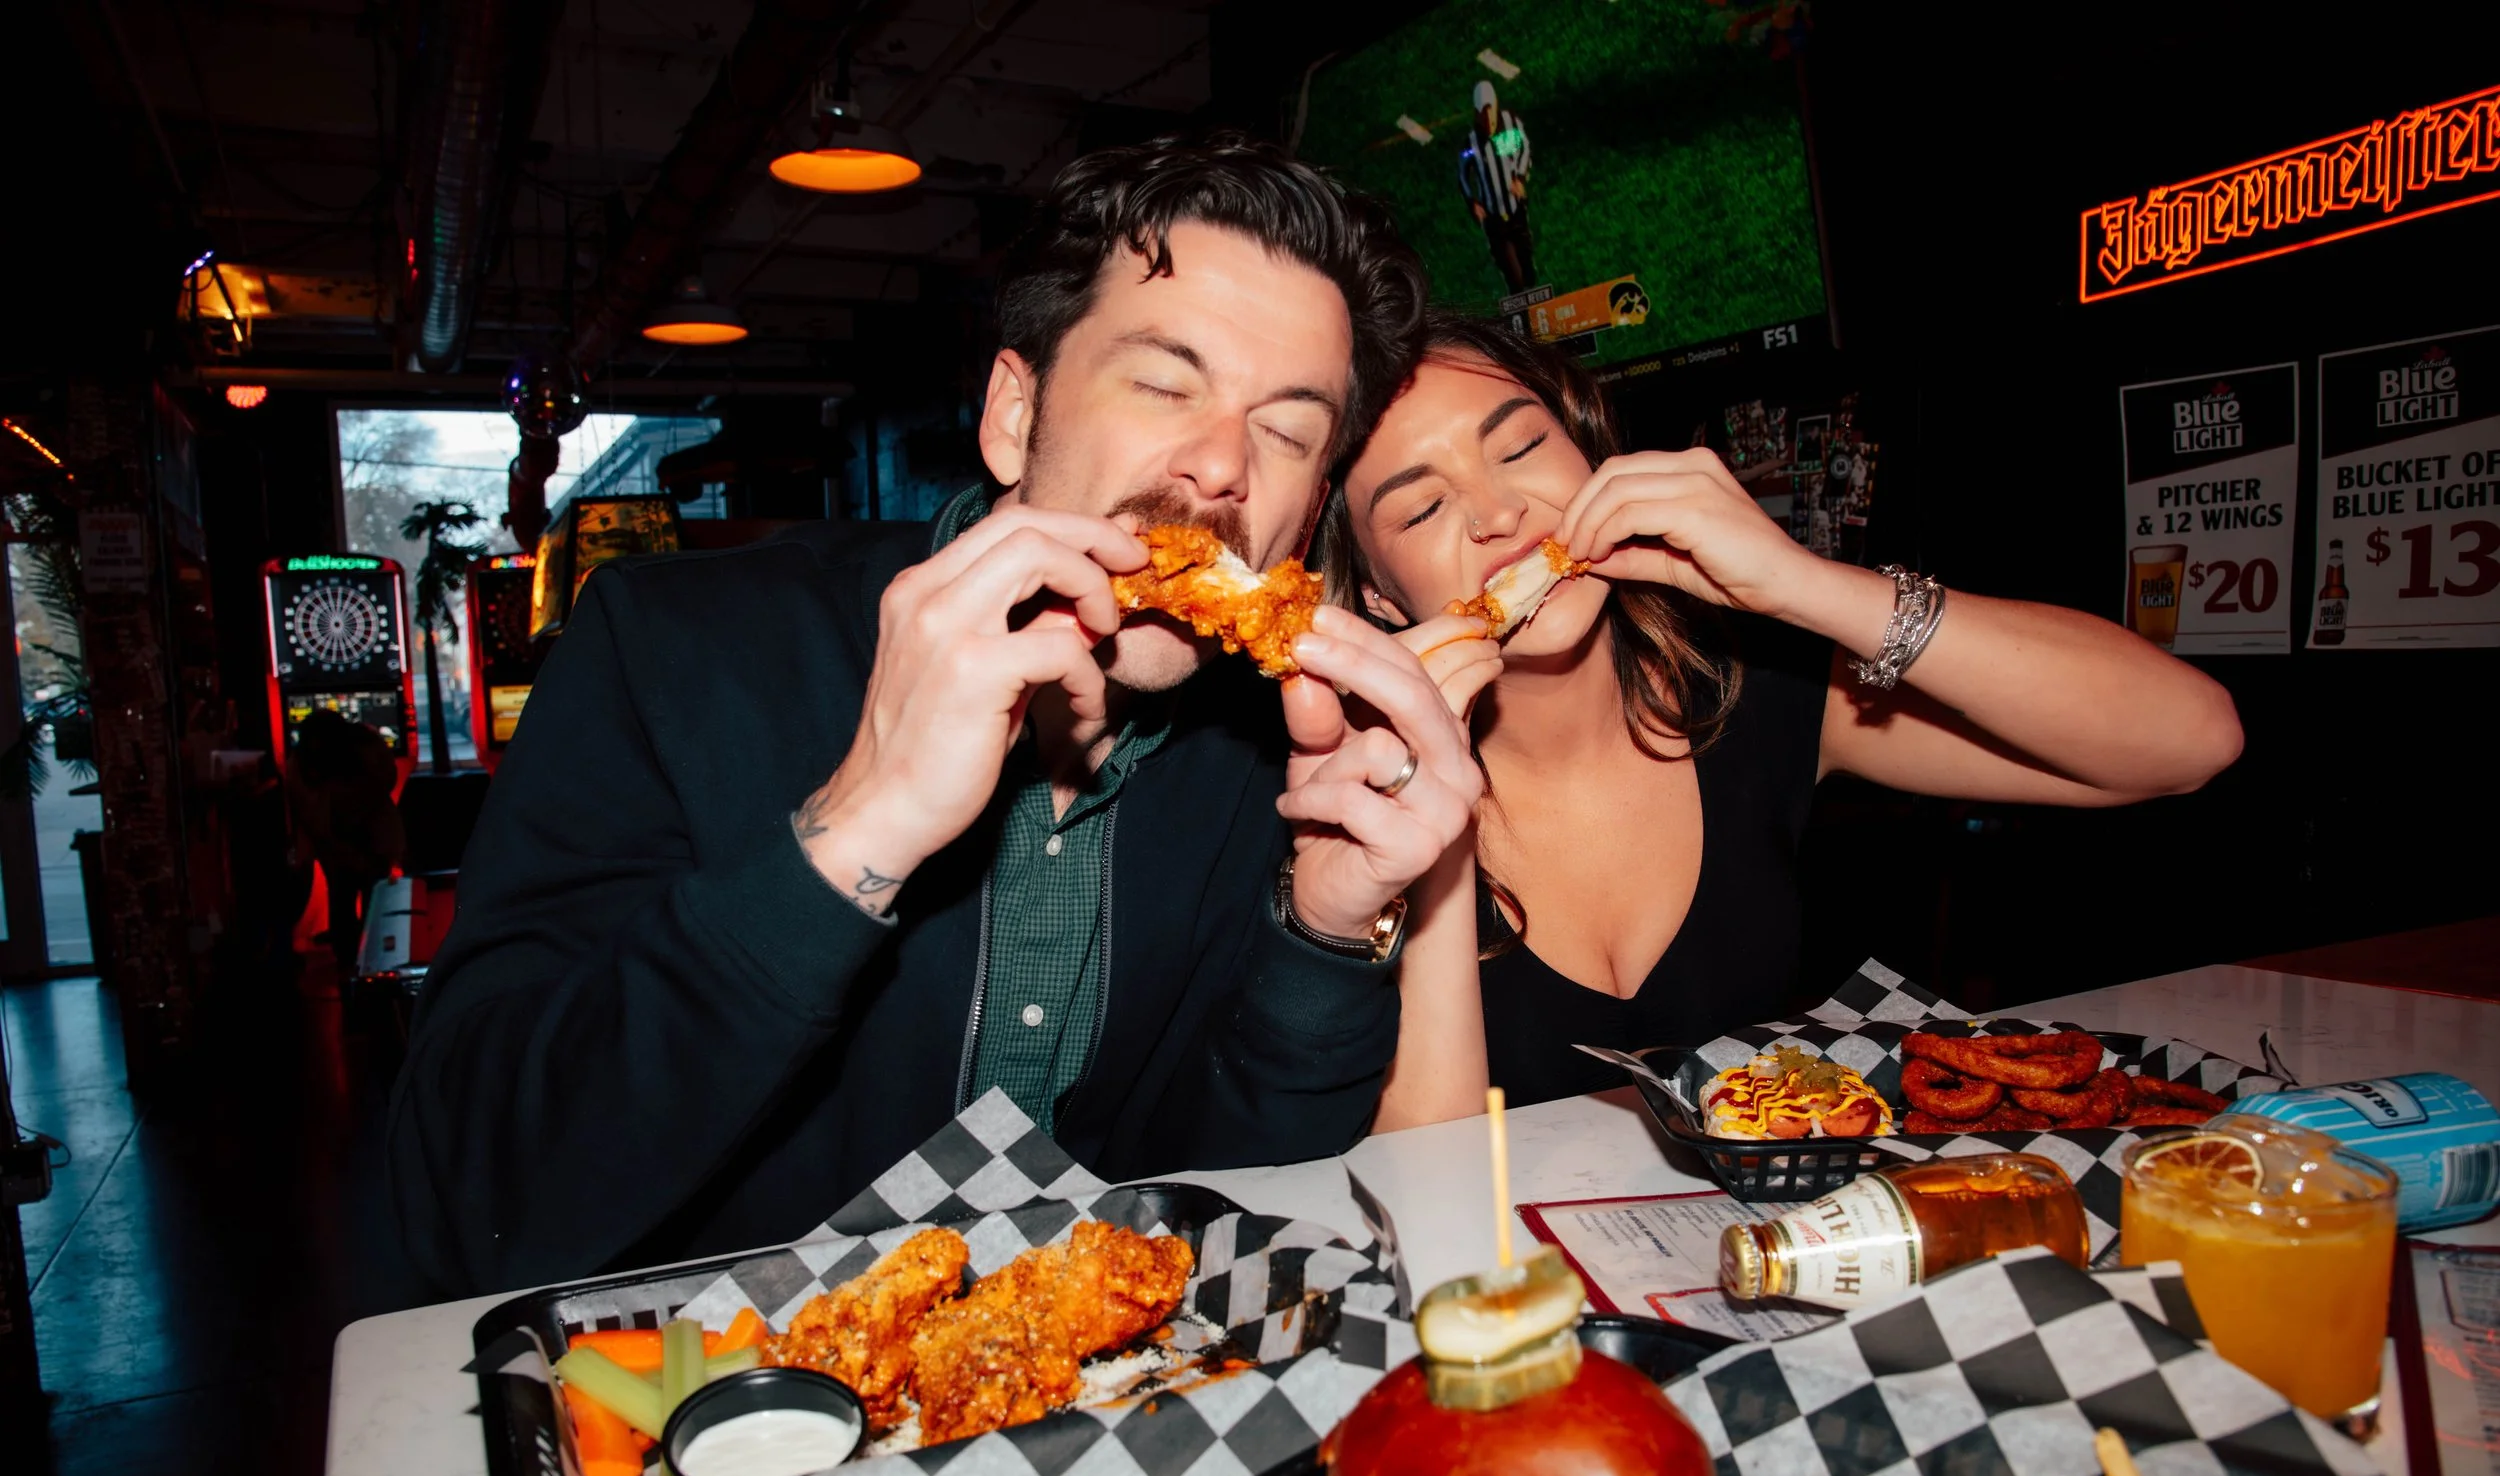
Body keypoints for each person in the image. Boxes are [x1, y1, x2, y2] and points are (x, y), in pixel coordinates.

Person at [386, 136, 1479, 1295]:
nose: (1222, 467)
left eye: (1289, 431)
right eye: (1165, 383)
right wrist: (859, 826)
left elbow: (1233, 1222)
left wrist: (1319, 932)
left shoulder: (1275, 758)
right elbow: (462, 1207)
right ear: (1015, 413)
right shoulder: (666, 649)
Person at [1317, 315, 2245, 1123]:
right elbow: (1425, 1188)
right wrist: (1426, 800)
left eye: (1521, 448)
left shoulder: (1751, 690)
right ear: (1381, 597)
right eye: (1424, 505)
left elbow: (2194, 740)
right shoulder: (1349, 802)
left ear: (1595, 457)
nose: (1502, 511)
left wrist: (1807, 586)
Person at [284, 707, 405, 977]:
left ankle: (349, 965)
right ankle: (374, 964)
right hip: (370, 841)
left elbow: (307, 808)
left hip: (340, 846)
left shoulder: (302, 765)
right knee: (373, 902)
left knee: (343, 901)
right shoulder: (364, 747)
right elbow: (388, 778)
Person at [1458, 80, 1535, 295]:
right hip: (1494, 220)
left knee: (1527, 265)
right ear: (1476, 115)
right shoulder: (1471, 145)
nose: (1488, 123)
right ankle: (1522, 317)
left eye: (1490, 117)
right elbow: (1463, 173)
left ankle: (1536, 303)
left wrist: (1519, 177)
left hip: (1516, 210)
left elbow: (1524, 147)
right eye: (1483, 118)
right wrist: (1472, 201)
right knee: (1514, 277)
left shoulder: (1510, 124)